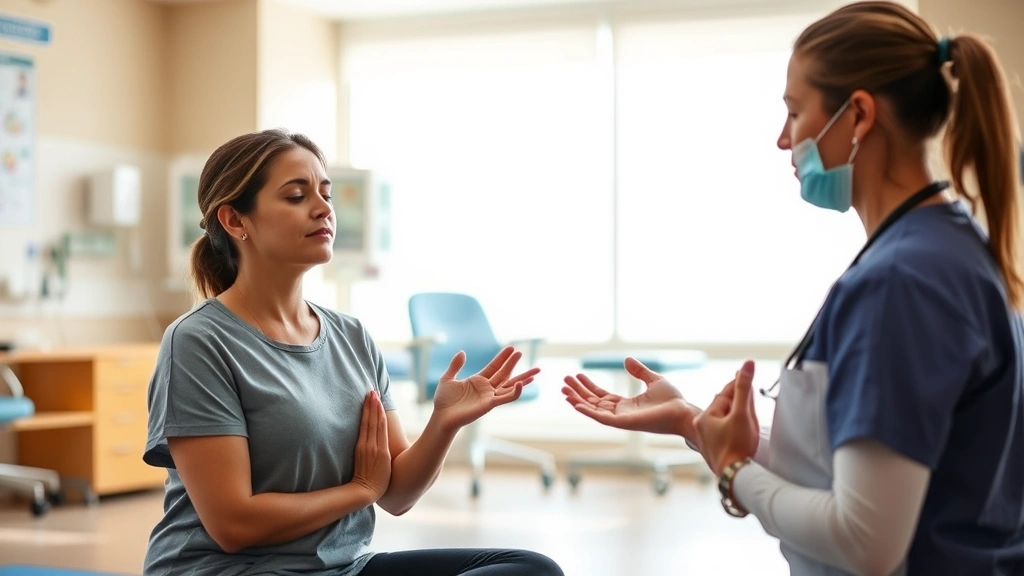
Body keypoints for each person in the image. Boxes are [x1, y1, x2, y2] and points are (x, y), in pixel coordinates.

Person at [562, 2, 1024, 575]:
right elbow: (860, 476)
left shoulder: (903, 284)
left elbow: (865, 540)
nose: (784, 140)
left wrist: (733, 471)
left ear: (857, 116)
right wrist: (691, 422)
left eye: (795, 112)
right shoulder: (943, 249)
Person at [142, 128, 564, 576]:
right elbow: (233, 524)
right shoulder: (199, 340)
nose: (324, 208)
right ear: (235, 221)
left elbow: (397, 494)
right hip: (228, 572)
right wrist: (358, 491)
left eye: (325, 194)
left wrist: (443, 423)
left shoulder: (352, 336)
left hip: (342, 569)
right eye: (296, 196)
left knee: (529, 568)